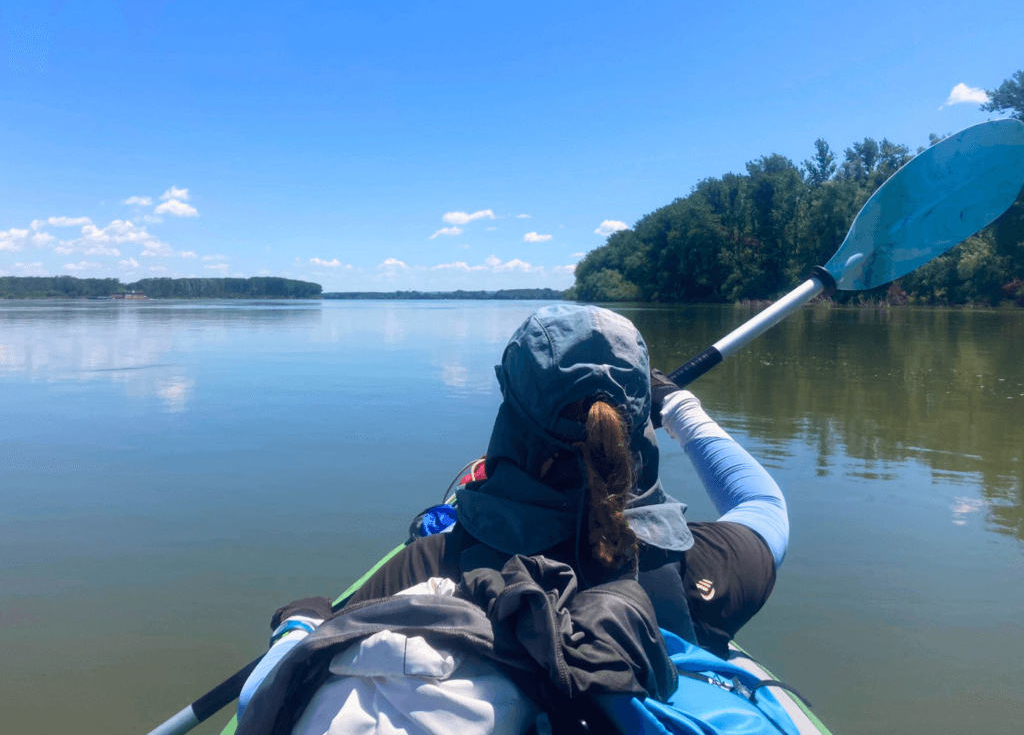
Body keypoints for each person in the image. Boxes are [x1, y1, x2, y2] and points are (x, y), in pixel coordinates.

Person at [237, 304, 792, 735]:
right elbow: (764, 504)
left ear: (510, 413)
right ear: (638, 423)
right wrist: (678, 406)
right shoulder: (702, 568)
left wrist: (299, 622)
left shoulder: (430, 563)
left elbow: (295, 673)